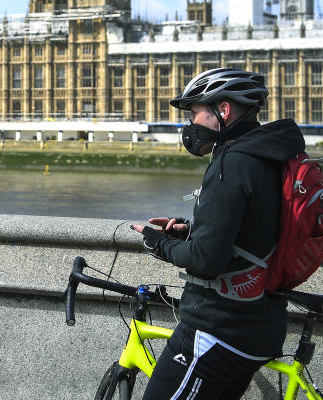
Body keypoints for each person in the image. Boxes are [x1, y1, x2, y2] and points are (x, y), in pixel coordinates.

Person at [130, 67, 306, 400]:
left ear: (222, 111)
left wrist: (158, 243)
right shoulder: (271, 156)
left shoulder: (232, 163)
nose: (190, 124)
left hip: (217, 330)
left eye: (195, 112)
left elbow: (206, 260)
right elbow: (253, 231)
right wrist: (193, 229)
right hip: (260, 328)